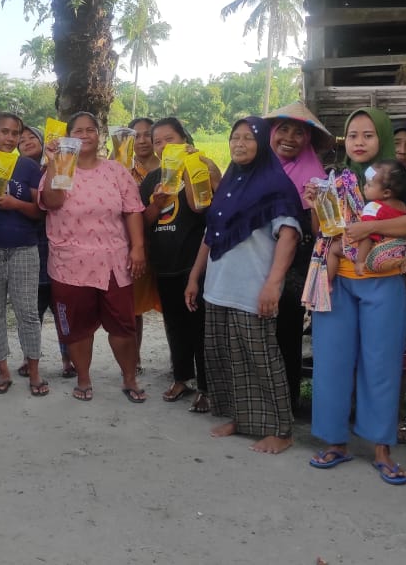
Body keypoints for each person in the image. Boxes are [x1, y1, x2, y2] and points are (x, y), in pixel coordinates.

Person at [304, 107, 406, 485]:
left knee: (382, 364)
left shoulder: (399, 179)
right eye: (353, 135)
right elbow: (323, 229)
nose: (359, 142)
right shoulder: (334, 178)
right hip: (337, 281)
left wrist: (366, 228)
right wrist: (316, 203)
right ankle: (335, 442)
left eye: (368, 135)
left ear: (383, 138)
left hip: (383, 281)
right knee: (331, 361)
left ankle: (381, 449)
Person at [184, 116, 302, 454]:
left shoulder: (275, 185)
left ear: (262, 143)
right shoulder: (229, 184)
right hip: (218, 287)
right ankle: (242, 419)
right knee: (226, 358)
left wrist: (273, 284)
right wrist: (194, 276)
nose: (239, 143)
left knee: (261, 359)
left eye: (248, 138)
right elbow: (211, 233)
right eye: (235, 137)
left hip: (252, 288)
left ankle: (282, 430)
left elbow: (289, 235)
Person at [39, 112, 147, 403]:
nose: (85, 135)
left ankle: (129, 378)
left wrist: (137, 248)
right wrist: (54, 162)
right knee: (77, 328)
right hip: (70, 265)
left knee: (123, 326)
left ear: (100, 135)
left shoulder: (116, 171)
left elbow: (133, 210)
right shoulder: (60, 168)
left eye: (91, 130)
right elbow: (52, 201)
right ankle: (84, 378)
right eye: (78, 131)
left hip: (114, 263)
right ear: (68, 136)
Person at [139, 117, 217, 412]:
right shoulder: (152, 179)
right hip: (164, 264)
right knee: (174, 325)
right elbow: (143, 222)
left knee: (200, 326)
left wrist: (189, 170)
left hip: (194, 263)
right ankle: (182, 378)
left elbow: (204, 209)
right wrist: (157, 204)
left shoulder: (197, 170)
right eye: (157, 142)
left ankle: (207, 387)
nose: (162, 146)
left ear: (184, 140)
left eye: (169, 139)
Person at [266, 102, 333, 413]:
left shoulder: (316, 178)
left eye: (299, 133)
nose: (289, 138)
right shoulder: (258, 169)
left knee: (286, 333)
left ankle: (286, 403)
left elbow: (323, 229)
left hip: (294, 266)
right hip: (257, 260)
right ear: (271, 133)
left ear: (308, 139)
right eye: (284, 130)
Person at [0, 112, 46, 395]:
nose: (10, 138)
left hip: (24, 248)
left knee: (27, 311)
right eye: (4, 132)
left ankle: (34, 371)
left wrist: (15, 204)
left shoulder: (27, 166)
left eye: (15, 133)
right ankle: (3, 370)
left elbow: (40, 211)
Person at [17, 125, 75, 378]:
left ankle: (68, 359)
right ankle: (29, 358)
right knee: (32, 311)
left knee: (63, 311)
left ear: (44, 142)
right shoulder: (15, 171)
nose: (27, 141)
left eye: (32, 136)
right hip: (29, 249)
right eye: (21, 139)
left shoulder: (58, 166)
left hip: (58, 249)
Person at [325, 160, 406, 279]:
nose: (365, 187)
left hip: (374, 258)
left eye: (369, 185)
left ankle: (327, 283)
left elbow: (367, 236)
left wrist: (360, 261)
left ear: (386, 193)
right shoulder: (402, 205)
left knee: (333, 248)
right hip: (398, 253)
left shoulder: (373, 208)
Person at [128, 117, 161, 367]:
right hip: (135, 245)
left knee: (172, 305)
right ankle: (134, 358)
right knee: (133, 307)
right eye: (135, 136)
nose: (142, 140)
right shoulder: (122, 167)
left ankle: (179, 363)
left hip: (168, 243)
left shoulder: (170, 167)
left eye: (147, 134)